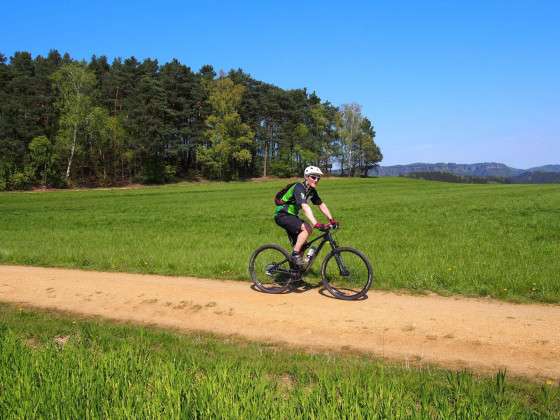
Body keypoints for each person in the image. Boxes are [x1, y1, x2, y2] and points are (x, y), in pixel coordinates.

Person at [274, 166, 338, 267]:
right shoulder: (299, 187)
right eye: (313, 177)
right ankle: (295, 254)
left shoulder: (311, 190)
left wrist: (331, 219)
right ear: (306, 177)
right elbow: (304, 206)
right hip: (282, 214)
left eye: (318, 178)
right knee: (307, 228)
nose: (316, 180)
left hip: (291, 216)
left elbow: (321, 205)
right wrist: (315, 223)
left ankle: (295, 276)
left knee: (302, 246)